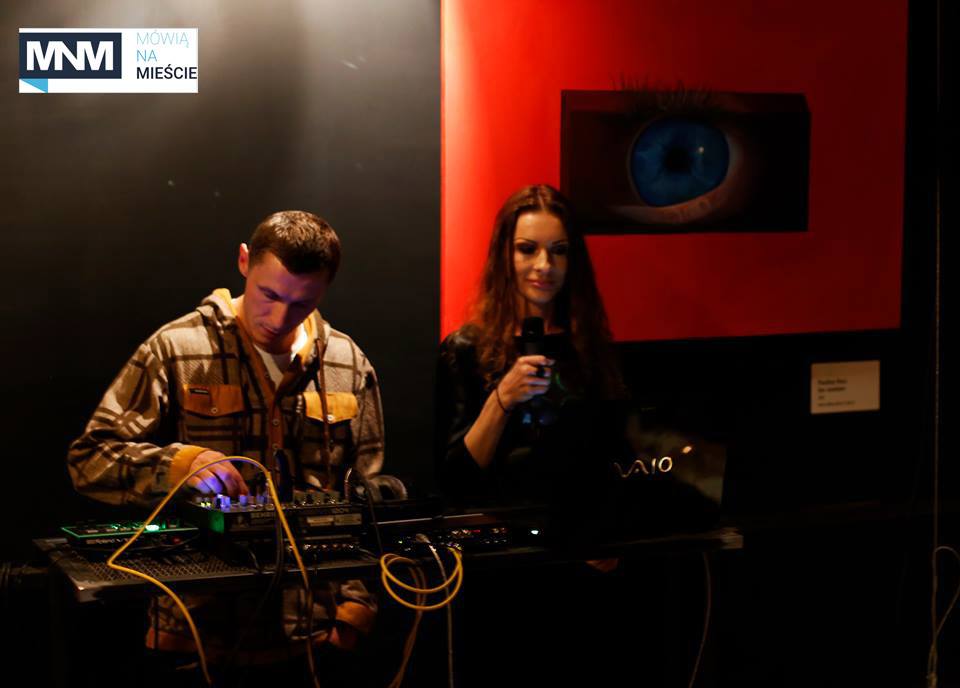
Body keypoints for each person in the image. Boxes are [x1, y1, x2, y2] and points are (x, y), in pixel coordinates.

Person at [67, 210, 384, 672]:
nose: (279, 317)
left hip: (313, 640)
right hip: (194, 636)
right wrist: (180, 466)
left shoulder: (348, 362)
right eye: (269, 294)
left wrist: (355, 612)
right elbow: (89, 459)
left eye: (303, 303)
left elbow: (369, 503)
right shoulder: (177, 347)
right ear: (243, 261)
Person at [436, 184, 625, 507]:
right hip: (501, 528)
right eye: (527, 249)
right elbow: (455, 481)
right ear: (505, 255)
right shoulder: (465, 349)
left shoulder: (589, 346)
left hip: (581, 529)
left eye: (559, 250)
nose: (544, 265)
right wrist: (502, 398)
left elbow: (615, 459)